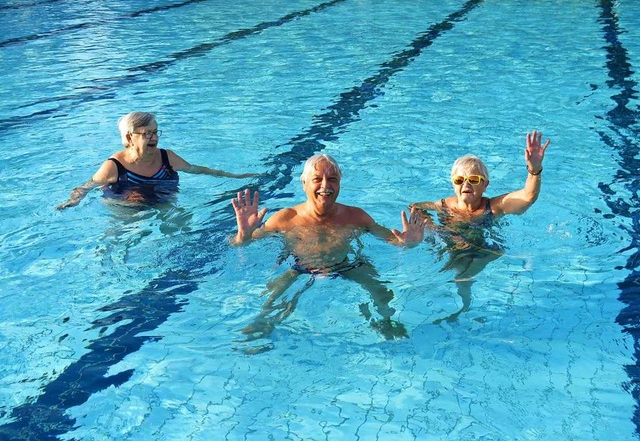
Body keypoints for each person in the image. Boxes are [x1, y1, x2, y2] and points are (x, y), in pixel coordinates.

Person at [231, 153, 424, 343]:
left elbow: (393, 239)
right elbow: (242, 245)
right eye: (317, 179)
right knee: (274, 296)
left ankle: (386, 323)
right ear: (304, 183)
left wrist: (410, 242)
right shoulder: (285, 218)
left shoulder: (356, 216)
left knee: (382, 292)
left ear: (339, 183)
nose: (325, 185)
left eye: (332, 179)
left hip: (347, 265)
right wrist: (244, 234)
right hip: (300, 268)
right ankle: (263, 324)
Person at [410, 130, 550, 322]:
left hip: (485, 250)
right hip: (454, 248)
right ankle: (463, 306)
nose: (465, 184)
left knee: (461, 275)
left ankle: (464, 308)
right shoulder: (443, 205)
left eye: (473, 179)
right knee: (443, 274)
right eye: (459, 180)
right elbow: (415, 206)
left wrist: (534, 170)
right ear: (453, 184)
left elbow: (527, 197)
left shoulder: (493, 206)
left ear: (485, 185)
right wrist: (431, 226)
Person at [57, 111, 257, 209]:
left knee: (181, 222)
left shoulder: (166, 157)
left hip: (163, 200)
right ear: (129, 137)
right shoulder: (114, 166)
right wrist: (72, 201)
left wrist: (234, 176)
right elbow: (86, 187)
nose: (154, 138)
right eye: (146, 134)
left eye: (155, 132)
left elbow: (196, 169)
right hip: (128, 206)